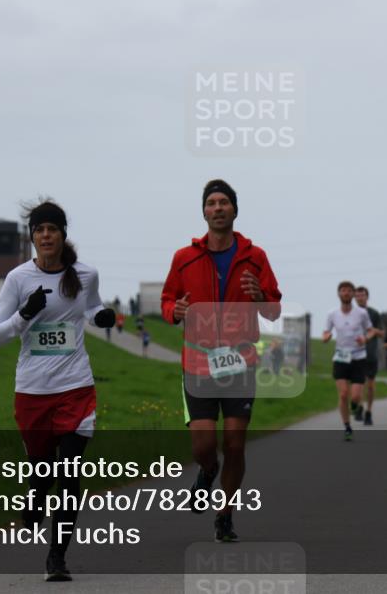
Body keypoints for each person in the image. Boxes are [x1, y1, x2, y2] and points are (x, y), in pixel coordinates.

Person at [0, 200, 115, 582]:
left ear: (62, 235)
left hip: (75, 386)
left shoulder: (86, 274)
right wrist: (25, 314)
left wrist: (101, 316)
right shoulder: (18, 279)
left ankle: (56, 557)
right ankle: (35, 497)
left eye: (52, 229)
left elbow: (90, 307)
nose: (46, 235)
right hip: (32, 391)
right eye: (39, 230)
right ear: (32, 237)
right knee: (43, 472)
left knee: (70, 473)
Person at [161, 179, 281, 543]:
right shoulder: (184, 257)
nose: (217, 208)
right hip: (197, 363)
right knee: (203, 448)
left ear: (234, 210)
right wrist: (175, 311)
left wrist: (260, 295)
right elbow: (167, 301)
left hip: (240, 362)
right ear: (204, 212)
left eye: (223, 202)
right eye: (211, 203)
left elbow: (273, 310)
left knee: (235, 443)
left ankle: (225, 514)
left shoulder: (255, 256)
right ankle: (206, 472)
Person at [322, 281, 380, 440]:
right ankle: (347, 426)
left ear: (353, 294)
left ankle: (355, 406)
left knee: (354, 396)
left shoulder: (361, 313)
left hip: (358, 358)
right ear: (338, 294)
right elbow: (326, 332)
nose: (346, 293)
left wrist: (365, 338)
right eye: (343, 290)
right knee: (343, 395)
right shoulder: (332, 314)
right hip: (340, 357)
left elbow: (371, 331)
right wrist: (326, 337)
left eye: (349, 291)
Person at [354, 286, 385, 425]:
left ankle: (369, 411)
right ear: (355, 298)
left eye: (362, 295)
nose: (360, 298)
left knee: (370, 386)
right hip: (354, 353)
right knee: (357, 385)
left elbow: (382, 333)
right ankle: (359, 406)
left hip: (370, 354)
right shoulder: (350, 313)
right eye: (358, 296)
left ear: (367, 297)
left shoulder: (374, 313)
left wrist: (372, 330)